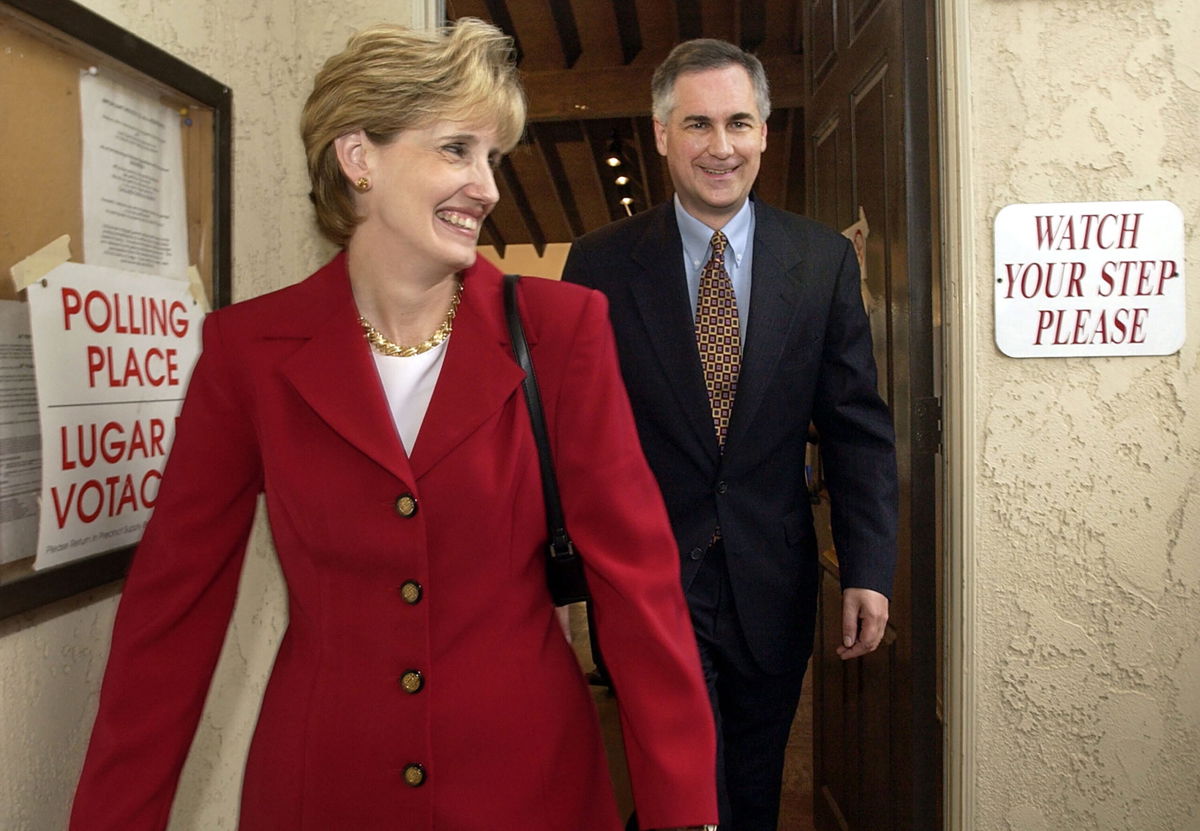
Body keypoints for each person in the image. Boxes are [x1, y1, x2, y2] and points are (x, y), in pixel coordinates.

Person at [69, 20, 718, 831]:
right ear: (358, 156)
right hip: (321, 791)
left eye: (492, 158)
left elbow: (639, 590)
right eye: (456, 150)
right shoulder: (249, 352)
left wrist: (685, 812)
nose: (486, 185)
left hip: (529, 786)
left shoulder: (563, 328)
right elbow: (171, 614)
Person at [562, 38, 898, 831]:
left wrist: (868, 566)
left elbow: (855, 427)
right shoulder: (599, 264)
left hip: (770, 586)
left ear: (765, 131)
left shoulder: (820, 263)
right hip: (644, 588)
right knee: (678, 795)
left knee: (749, 793)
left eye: (739, 123)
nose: (721, 147)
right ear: (659, 133)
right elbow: (566, 437)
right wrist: (565, 576)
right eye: (698, 124)